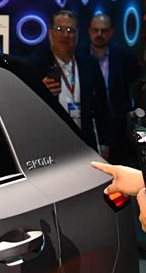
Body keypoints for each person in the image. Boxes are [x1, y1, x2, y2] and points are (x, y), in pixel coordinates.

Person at [33, 10, 111, 156]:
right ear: (50, 32)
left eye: (70, 30)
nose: (65, 35)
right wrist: (39, 91)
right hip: (49, 145)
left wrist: (105, 142)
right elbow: (25, 110)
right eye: (59, 29)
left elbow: (102, 108)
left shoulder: (89, 65)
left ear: (77, 34)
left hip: (84, 145)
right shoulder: (35, 65)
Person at [88, 13, 141, 165]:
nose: (99, 34)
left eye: (104, 31)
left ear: (111, 32)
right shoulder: (80, 57)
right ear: (89, 31)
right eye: (95, 30)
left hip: (121, 126)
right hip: (92, 125)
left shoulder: (125, 57)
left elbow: (137, 86)